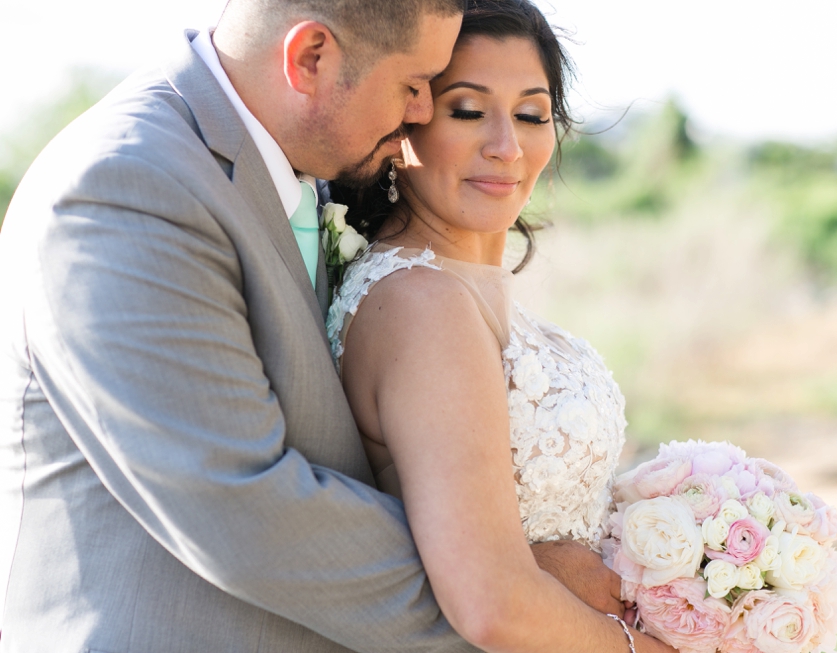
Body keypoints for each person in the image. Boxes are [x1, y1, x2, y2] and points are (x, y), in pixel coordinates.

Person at [0, 0, 613, 650]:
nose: (420, 112)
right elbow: (245, 510)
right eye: (412, 86)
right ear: (310, 58)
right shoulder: (128, 187)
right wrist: (511, 587)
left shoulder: (309, 172)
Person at [326, 1, 677, 652]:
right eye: (467, 110)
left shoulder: (456, 287)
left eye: (530, 114)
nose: (506, 147)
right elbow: (490, 601)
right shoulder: (421, 304)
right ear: (404, 120)